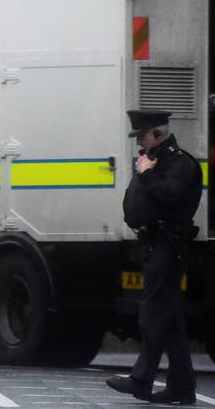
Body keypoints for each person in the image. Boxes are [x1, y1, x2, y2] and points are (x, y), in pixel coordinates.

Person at [106, 109, 201, 405]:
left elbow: (170, 196)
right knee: (168, 318)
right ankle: (182, 387)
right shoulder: (156, 159)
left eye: (142, 136)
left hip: (167, 245)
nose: (139, 144)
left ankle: (141, 380)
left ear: (158, 133)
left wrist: (146, 173)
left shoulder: (179, 163)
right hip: (153, 245)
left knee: (152, 314)